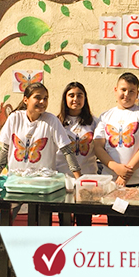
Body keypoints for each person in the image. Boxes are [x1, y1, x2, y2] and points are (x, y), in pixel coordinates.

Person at [91, 73, 139, 226]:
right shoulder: (105, 116)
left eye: (131, 91)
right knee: (116, 227)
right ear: (115, 90)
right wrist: (116, 168)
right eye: (123, 89)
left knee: (138, 229)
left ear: (137, 93)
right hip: (114, 184)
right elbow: (98, 147)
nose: (126, 94)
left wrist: (127, 173)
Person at [55, 81, 97, 226]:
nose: (75, 99)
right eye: (71, 95)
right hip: (63, 178)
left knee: (84, 221)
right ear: (65, 98)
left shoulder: (94, 122)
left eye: (80, 95)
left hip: (87, 177)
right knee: (65, 221)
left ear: (85, 99)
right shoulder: (56, 122)